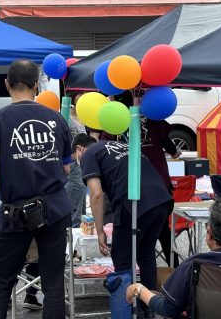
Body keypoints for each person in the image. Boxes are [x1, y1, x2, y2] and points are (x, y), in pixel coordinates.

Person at [0, 60, 72, 319]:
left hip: (17, 211)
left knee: (2, 283)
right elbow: (67, 168)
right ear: (36, 85)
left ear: (6, 84)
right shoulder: (56, 119)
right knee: (53, 285)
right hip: (54, 208)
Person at [73, 133, 173, 317]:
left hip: (134, 203)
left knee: (122, 257)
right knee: (146, 254)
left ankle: (124, 311)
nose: (77, 163)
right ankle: (148, 308)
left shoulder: (88, 154)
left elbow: (95, 194)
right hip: (161, 199)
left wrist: (100, 230)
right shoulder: (117, 145)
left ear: (80, 149)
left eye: (75, 159)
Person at [141, 118, 181, 267]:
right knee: (163, 230)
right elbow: (174, 152)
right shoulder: (153, 117)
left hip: (136, 185)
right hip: (159, 185)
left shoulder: (121, 118)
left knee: (141, 234)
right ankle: (174, 270)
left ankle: (142, 274)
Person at [65, 91, 88, 227]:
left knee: (81, 203)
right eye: (80, 94)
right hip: (73, 166)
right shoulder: (67, 118)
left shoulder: (84, 117)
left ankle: (78, 236)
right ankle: (71, 237)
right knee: (75, 203)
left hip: (83, 166)